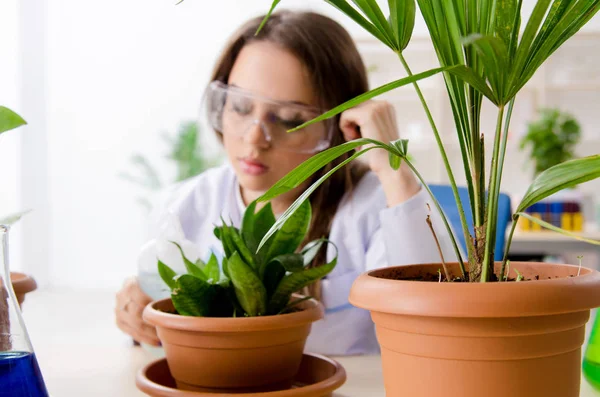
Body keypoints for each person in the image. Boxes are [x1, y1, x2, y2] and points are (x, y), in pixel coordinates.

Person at [115, 10, 457, 356]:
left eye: (289, 119)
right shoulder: (185, 205)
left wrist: (391, 164)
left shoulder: (374, 207)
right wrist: (140, 317)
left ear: (339, 126)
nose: (255, 138)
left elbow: (435, 316)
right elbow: (160, 335)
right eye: (240, 107)